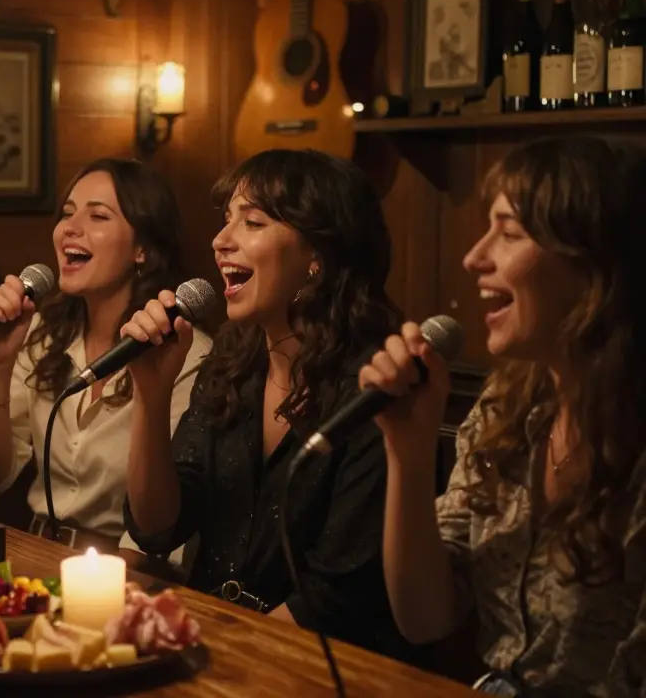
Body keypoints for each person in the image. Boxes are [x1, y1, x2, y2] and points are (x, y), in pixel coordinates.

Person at [362, 136, 646, 695]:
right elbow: (425, 618)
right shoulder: (507, 409)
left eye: (509, 233)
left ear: (596, 265)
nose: (474, 257)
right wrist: (409, 453)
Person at [121, 149, 415, 658]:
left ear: (318, 257)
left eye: (252, 222)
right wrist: (152, 394)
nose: (220, 240)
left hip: (325, 667)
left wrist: (211, 650)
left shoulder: (377, 385)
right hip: (222, 641)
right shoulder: (232, 365)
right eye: (225, 219)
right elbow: (157, 527)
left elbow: (334, 598)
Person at [0, 158, 213, 555]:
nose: (69, 229)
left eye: (98, 216)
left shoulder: (186, 352)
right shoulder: (43, 333)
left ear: (142, 248)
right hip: (37, 550)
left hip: (130, 567)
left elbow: (159, 523)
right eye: (66, 213)